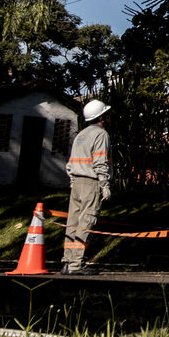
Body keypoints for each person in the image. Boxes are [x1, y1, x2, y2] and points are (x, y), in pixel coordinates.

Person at [63, 99, 112, 275]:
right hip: (91, 183)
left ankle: (68, 262)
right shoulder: (101, 135)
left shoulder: (81, 135)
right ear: (102, 117)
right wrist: (104, 185)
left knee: (73, 222)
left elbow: (70, 164)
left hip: (76, 183)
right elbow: (100, 162)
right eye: (107, 113)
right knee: (86, 222)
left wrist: (72, 181)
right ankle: (77, 264)